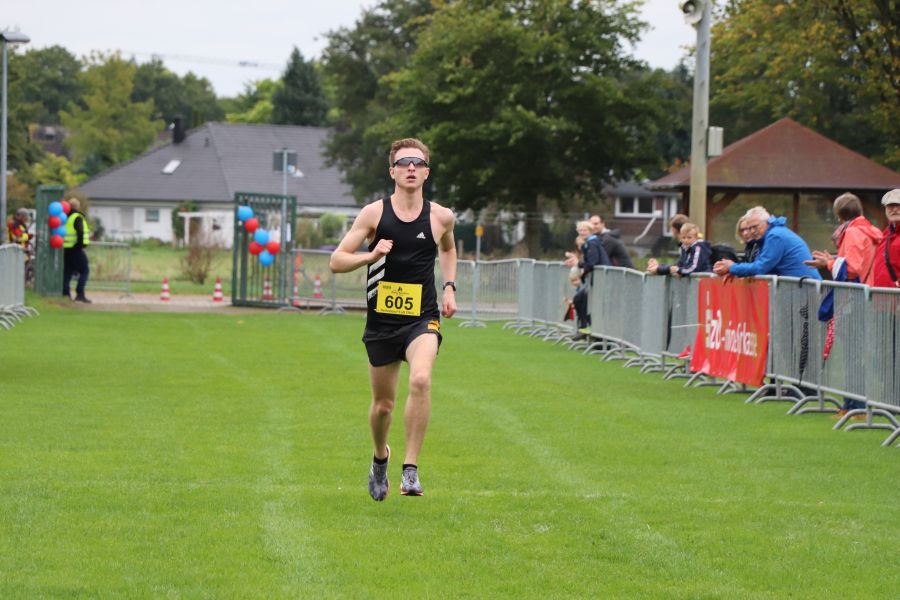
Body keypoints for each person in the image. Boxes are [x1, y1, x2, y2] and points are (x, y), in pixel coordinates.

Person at [329, 138, 457, 501]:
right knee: (383, 406)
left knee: (421, 379)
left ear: (427, 172)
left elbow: (448, 249)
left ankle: (410, 470)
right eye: (403, 163)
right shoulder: (374, 214)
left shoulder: (441, 217)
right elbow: (337, 261)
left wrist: (449, 287)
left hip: (422, 318)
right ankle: (380, 457)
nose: (411, 167)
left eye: (418, 162)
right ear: (392, 172)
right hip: (382, 323)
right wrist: (369, 257)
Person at [804, 193, 882, 415]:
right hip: (862, 297)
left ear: (839, 215)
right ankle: (851, 405)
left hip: (853, 299)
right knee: (854, 354)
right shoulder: (868, 230)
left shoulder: (853, 232)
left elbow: (853, 268)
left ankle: (856, 407)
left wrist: (829, 263)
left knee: (853, 354)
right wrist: (832, 261)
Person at [713, 206, 820, 279]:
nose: (752, 231)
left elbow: (761, 268)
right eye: (749, 228)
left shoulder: (775, 236)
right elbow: (759, 266)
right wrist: (735, 271)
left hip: (804, 292)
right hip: (800, 290)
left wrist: (732, 267)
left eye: (755, 227)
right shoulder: (771, 235)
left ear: (767, 222)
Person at [566, 220, 610, 337]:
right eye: (580, 230)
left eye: (584, 230)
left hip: (601, 280)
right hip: (596, 280)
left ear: (590, 231)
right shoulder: (589, 243)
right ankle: (584, 327)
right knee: (579, 299)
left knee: (583, 301)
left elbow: (592, 263)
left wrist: (579, 265)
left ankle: (587, 328)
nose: (582, 232)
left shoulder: (592, 243)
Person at [647, 222, 711, 277]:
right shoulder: (684, 247)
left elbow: (694, 268)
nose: (686, 240)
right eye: (683, 237)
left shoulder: (698, 248)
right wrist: (660, 267)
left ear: (696, 237)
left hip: (703, 281)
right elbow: (679, 265)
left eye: (689, 237)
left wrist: (679, 271)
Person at [63, 198, 92, 303]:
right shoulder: (77, 217)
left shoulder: (65, 217)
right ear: (77, 207)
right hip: (76, 249)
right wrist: (80, 246)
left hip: (66, 249)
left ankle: (65, 294)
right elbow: (80, 232)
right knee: (85, 271)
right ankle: (80, 293)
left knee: (67, 273)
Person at [872, 189, 900, 289]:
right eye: (890, 205)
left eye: (899, 205)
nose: (895, 209)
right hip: (881, 295)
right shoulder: (886, 235)